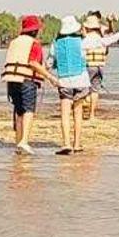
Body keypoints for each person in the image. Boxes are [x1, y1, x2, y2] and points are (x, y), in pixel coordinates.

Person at [1, 14, 60, 155]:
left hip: (12, 80)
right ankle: (24, 142)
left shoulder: (14, 42)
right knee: (28, 110)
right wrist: (50, 77)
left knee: (19, 111)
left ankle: (19, 142)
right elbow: (33, 63)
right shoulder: (34, 44)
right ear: (35, 31)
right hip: (26, 81)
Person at [49, 15, 93, 155]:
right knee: (78, 112)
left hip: (64, 80)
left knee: (65, 114)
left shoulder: (56, 43)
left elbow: (49, 63)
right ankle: (77, 143)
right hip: (81, 79)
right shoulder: (81, 41)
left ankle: (66, 143)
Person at [80, 11, 119, 120]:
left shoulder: (85, 41)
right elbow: (114, 37)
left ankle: (79, 111)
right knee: (95, 90)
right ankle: (92, 115)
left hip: (89, 66)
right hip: (100, 66)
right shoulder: (102, 40)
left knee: (83, 89)